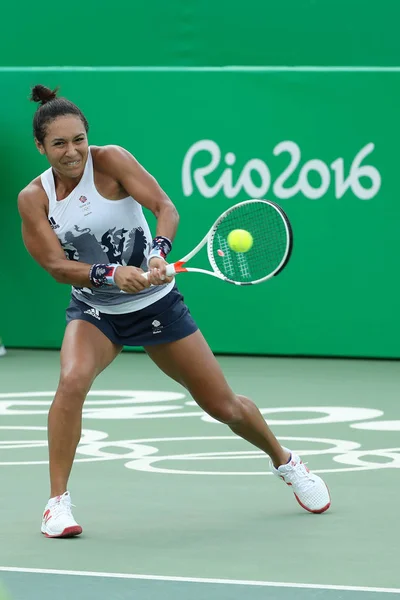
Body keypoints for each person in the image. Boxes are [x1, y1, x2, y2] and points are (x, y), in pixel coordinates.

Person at [18, 84, 331, 539]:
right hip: (97, 311)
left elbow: (164, 207)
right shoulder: (35, 198)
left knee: (223, 406)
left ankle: (286, 462)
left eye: (78, 139)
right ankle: (57, 505)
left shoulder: (111, 161)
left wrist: (158, 253)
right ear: (41, 147)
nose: (73, 152)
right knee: (71, 381)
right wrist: (109, 274)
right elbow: (54, 265)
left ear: (89, 136)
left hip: (155, 304)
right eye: (60, 144)